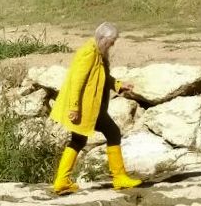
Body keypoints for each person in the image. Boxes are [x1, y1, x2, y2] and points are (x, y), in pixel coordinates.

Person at [48, 22, 142, 195]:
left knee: (78, 140)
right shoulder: (89, 53)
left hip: (89, 107)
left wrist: (119, 85)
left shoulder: (98, 52)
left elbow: (102, 77)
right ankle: (119, 177)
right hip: (86, 108)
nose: (112, 45)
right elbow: (77, 82)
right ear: (103, 39)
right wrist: (74, 108)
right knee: (113, 133)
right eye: (111, 42)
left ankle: (61, 181)